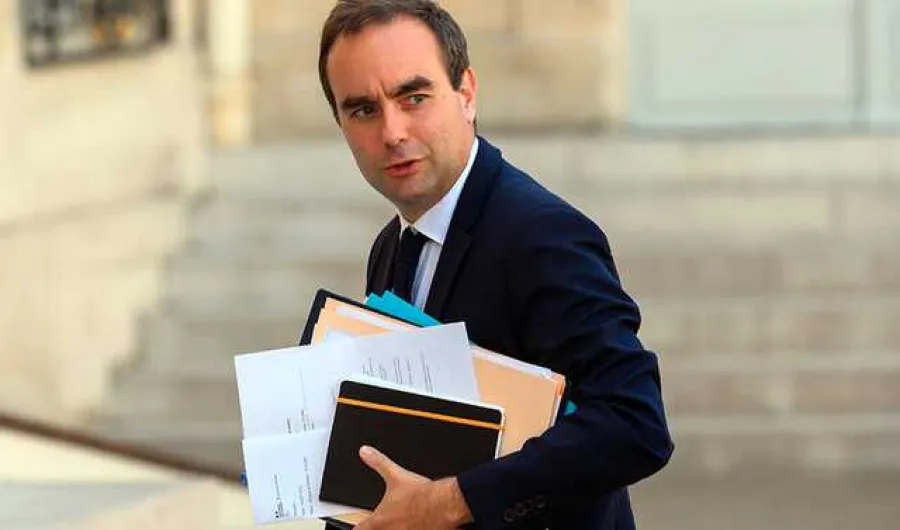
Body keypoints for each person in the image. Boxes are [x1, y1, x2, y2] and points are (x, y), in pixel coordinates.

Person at [317, 1, 673, 528]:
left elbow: (633, 422)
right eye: (364, 110)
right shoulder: (393, 245)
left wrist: (448, 502)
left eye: (414, 97)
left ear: (466, 94)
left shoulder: (542, 234)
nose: (392, 132)